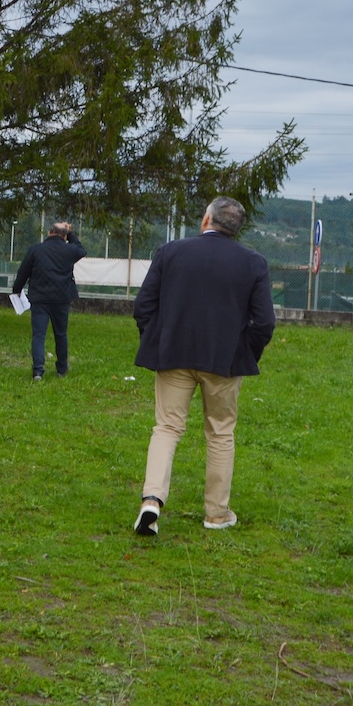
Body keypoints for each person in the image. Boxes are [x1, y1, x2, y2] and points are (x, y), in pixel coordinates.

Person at [132, 196, 275, 536]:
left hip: (173, 356)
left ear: (206, 219)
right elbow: (265, 323)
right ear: (236, 228)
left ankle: (151, 500)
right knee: (221, 432)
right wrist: (245, 353)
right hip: (224, 361)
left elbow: (143, 306)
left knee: (166, 428)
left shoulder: (171, 252)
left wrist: (157, 340)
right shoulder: (253, 262)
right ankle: (216, 513)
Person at [11, 221, 86, 380]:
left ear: (49, 233)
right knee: (60, 334)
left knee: (38, 334)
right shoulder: (69, 249)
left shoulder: (36, 250)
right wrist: (71, 233)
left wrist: (16, 290)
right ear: (64, 236)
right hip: (61, 298)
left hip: (39, 298)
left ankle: (38, 371)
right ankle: (62, 368)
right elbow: (81, 250)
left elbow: (23, 272)